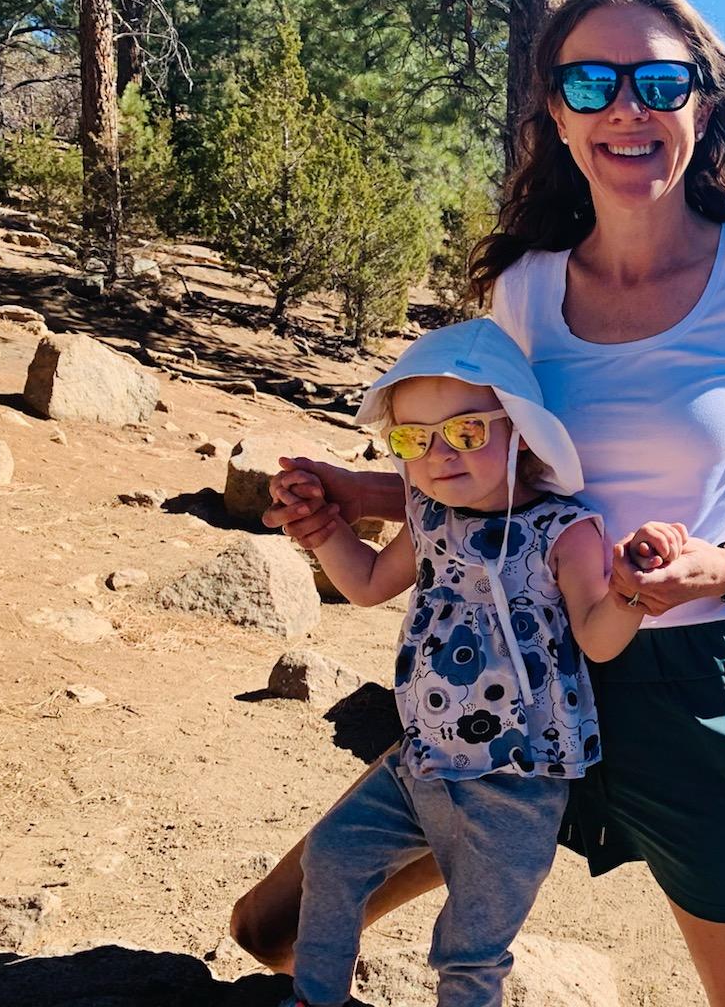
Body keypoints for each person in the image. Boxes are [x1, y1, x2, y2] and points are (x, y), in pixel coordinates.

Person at [240, 0, 725, 1005]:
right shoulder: (522, 290)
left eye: (658, 83)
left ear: (700, 101)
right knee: (274, 932)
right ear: (555, 116)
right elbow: (486, 478)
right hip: (507, 679)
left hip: (693, 690)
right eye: (591, 82)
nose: (626, 108)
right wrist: (355, 489)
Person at [281, 317, 679, 1006]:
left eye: (467, 432)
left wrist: (632, 592)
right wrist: (325, 534)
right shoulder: (431, 514)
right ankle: (317, 997)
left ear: (519, 429)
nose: (439, 456)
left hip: (517, 784)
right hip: (420, 763)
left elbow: (598, 637)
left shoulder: (567, 528)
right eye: (413, 440)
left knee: (471, 948)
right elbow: (371, 582)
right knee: (333, 856)